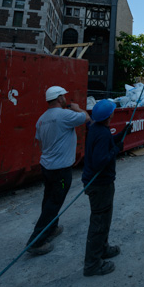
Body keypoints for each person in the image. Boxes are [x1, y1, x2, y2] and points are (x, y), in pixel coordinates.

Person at [27, 86, 90, 256]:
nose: (65, 99)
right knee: (55, 201)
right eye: (63, 96)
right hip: (61, 169)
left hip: (47, 166)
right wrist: (78, 109)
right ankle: (36, 241)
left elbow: (40, 144)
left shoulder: (41, 119)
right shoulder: (64, 115)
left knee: (49, 198)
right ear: (59, 98)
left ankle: (52, 228)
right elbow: (86, 118)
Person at [82, 100, 132, 277]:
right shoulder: (101, 133)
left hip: (100, 184)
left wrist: (122, 135)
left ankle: (102, 249)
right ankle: (92, 264)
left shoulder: (97, 129)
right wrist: (116, 150)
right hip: (99, 185)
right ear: (109, 115)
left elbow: (108, 142)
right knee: (99, 223)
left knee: (104, 219)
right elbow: (100, 161)